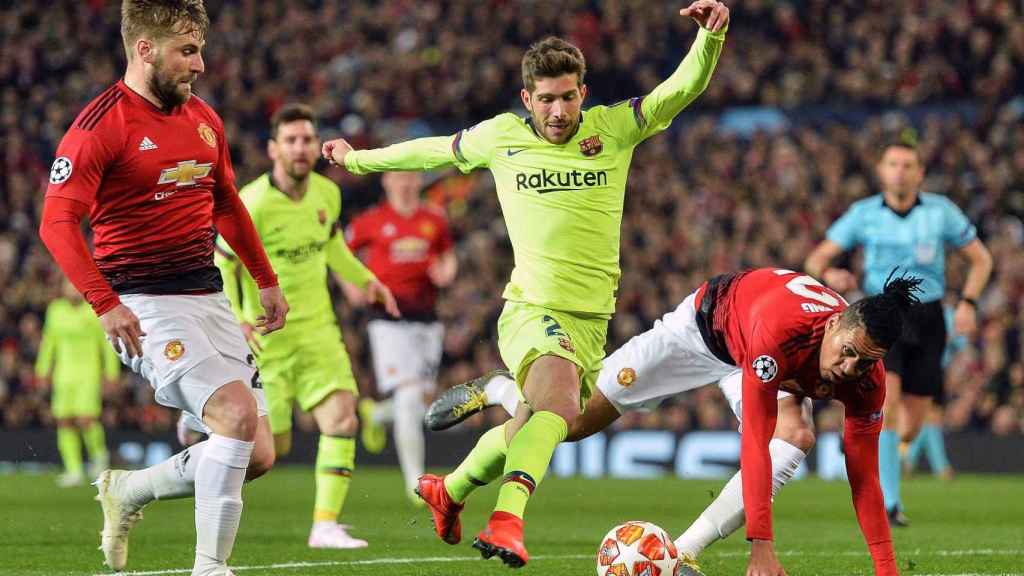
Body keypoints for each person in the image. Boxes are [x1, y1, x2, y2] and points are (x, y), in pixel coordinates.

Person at [322, 1, 729, 566]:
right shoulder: (500, 138)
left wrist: (711, 38)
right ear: (526, 99)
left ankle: (451, 489)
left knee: (537, 425)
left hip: (590, 321)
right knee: (557, 407)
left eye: (567, 97)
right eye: (546, 99)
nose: (558, 111)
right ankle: (508, 520)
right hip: (531, 310)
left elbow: (678, 91)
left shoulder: (614, 128)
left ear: (582, 92)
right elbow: (430, 152)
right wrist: (359, 160)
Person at [429, 268, 918, 576]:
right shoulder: (782, 331)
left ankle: (681, 553)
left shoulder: (866, 378)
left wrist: (886, 570)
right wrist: (761, 550)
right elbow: (752, 441)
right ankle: (500, 390)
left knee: (795, 436)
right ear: (834, 324)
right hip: (700, 334)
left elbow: (865, 478)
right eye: (848, 352)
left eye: (864, 361)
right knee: (571, 422)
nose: (849, 368)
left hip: (752, 356)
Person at [37, 2, 288, 574]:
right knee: (234, 416)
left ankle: (130, 489)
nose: (200, 64)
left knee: (258, 454)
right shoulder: (99, 126)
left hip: (209, 294)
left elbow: (225, 201)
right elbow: (56, 223)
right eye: (187, 51)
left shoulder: (204, 119)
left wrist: (265, 279)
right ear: (144, 50)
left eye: (199, 49)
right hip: (143, 300)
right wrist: (105, 304)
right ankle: (210, 568)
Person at [213, 103, 398, 548]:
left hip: (318, 331)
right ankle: (185, 461)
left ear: (317, 147)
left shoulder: (327, 195)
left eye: (308, 139)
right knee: (263, 453)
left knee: (341, 418)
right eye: (291, 140)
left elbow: (332, 248)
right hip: (267, 341)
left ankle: (325, 524)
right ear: (273, 148)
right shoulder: (252, 203)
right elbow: (222, 263)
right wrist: (237, 316)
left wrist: (368, 281)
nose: (301, 148)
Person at [804, 139, 992, 526]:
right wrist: (830, 273)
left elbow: (981, 259)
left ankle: (883, 465)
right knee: (885, 406)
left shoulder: (941, 213)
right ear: (881, 171)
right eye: (893, 164)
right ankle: (889, 503)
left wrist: (969, 303)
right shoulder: (864, 214)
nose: (900, 172)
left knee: (913, 423)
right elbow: (817, 258)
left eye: (908, 165)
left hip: (930, 319)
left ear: (920, 172)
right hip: (881, 319)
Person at [345, 170, 456, 504]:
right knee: (409, 398)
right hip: (387, 318)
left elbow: (447, 255)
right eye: (400, 177)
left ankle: (377, 414)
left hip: (427, 319)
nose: (406, 183)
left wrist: (446, 272)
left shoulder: (433, 219)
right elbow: (341, 252)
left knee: (420, 403)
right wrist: (353, 287)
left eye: (411, 177)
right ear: (387, 181)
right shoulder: (372, 220)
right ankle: (417, 484)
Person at [35, 278, 121, 487]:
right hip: (63, 374)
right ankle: (73, 470)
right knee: (64, 420)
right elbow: (49, 341)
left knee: (86, 419)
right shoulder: (56, 310)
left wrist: (111, 373)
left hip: (88, 373)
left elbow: (105, 342)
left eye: (75, 286)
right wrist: (42, 370)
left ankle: (99, 459)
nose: (71, 290)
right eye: (67, 286)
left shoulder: (93, 310)